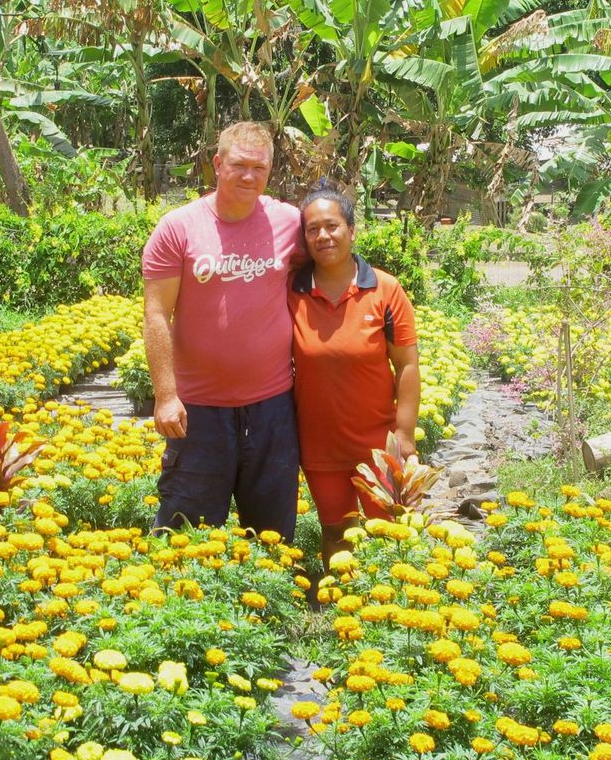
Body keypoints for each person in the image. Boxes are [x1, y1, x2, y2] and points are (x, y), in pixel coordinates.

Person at [141, 122, 302, 541]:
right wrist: (166, 395)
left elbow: (330, 264)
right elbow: (156, 314)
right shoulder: (178, 228)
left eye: (259, 168)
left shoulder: (289, 223)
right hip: (198, 410)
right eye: (239, 165)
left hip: (272, 408)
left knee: (272, 536)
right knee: (183, 535)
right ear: (217, 164)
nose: (249, 176)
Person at [288, 188, 421, 564]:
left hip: (378, 445)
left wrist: (405, 436)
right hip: (320, 445)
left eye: (332, 226)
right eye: (313, 229)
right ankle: (340, 596)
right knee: (336, 533)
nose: (323, 236)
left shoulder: (385, 289)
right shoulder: (292, 291)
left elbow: (407, 365)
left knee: (389, 535)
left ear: (351, 230)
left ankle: (389, 597)